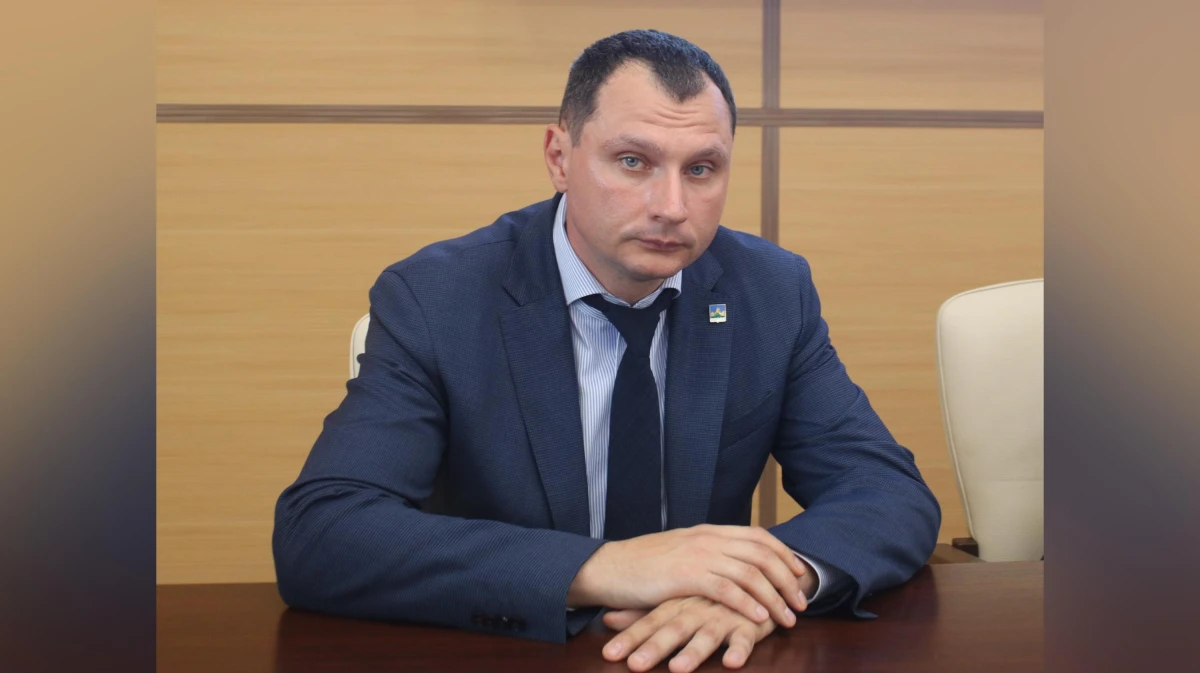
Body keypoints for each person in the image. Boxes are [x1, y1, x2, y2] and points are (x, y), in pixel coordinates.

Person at [273, 29, 940, 673]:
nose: (671, 206)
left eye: (701, 169)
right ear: (559, 157)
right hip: (514, 650)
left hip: (696, 654)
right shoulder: (439, 298)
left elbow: (887, 492)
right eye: (633, 161)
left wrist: (758, 582)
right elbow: (324, 531)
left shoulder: (769, 291)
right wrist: (602, 567)